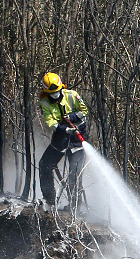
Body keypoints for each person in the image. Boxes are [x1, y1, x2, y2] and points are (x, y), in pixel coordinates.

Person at [38, 72, 88, 211]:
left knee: (74, 173)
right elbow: (50, 122)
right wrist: (64, 130)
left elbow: (84, 111)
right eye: (52, 93)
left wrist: (71, 117)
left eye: (57, 92)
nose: (55, 95)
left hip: (77, 140)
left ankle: (74, 206)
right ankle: (49, 201)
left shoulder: (72, 96)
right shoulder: (44, 103)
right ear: (46, 93)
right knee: (45, 164)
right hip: (61, 138)